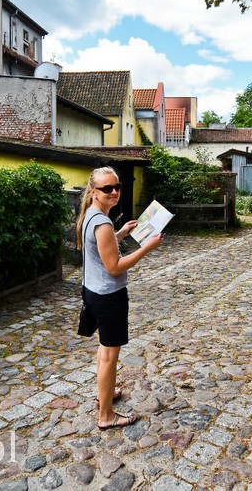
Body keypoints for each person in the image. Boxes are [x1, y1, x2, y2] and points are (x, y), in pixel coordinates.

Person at [76, 166, 163, 430]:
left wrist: (121, 233)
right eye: (107, 188)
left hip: (92, 291)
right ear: (94, 191)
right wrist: (147, 247)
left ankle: (106, 394)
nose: (114, 192)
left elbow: (100, 247)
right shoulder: (101, 222)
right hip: (108, 296)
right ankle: (106, 416)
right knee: (109, 356)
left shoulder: (91, 215)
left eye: (117, 187)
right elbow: (113, 266)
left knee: (105, 351)